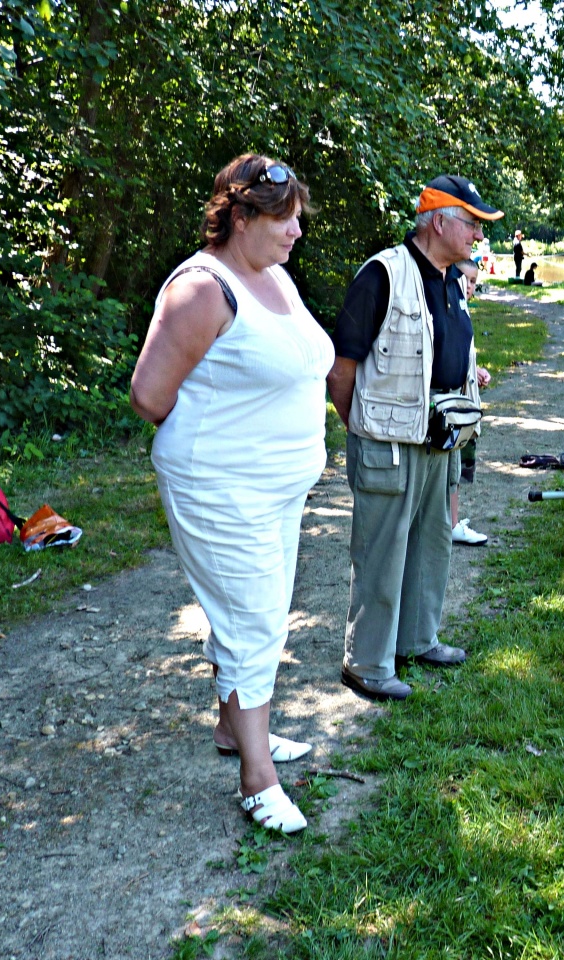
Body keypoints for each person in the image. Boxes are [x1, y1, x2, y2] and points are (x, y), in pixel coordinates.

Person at [129, 154, 332, 834]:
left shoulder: (272, 277)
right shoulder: (202, 288)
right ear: (239, 216)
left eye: (297, 215)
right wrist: (218, 444)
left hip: (278, 488)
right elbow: (150, 395)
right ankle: (257, 779)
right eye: (283, 217)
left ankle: (233, 728)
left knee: (264, 612)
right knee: (252, 622)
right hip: (222, 488)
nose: (296, 230)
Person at [328, 175, 503, 702]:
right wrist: (362, 428)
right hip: (389, 443)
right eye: (471, 223)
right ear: (439, 220)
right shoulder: (383, 273)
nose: (477, 234)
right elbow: (342, 370)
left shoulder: (454, 280)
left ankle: (417, 639)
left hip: (441, 439)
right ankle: (366, 663)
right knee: (381, 555)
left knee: (432, 546)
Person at [451, 259, 492, 546]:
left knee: (456, 467)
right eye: (464, 279)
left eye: (474, 281)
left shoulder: (463, 308)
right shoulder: (449, 307)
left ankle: (450, 520)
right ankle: (451, 524)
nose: (469, 286)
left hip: (465, 403)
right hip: (452, 408)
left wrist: (474, 370)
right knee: (451, 467)